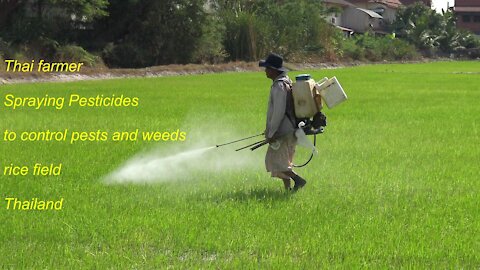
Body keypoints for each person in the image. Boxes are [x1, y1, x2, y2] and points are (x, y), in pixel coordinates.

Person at [259, 53, 307, 191]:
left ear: (274, 70)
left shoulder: (279, 86)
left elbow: (278, 112)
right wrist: (268, 130)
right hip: (288, 129)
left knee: (275, 161)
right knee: (283, 161)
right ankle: (287, 190)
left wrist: (272, 132)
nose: (265, 71)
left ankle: (298, 180)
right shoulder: (284, 82)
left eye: (267, 68)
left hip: (283, 130)